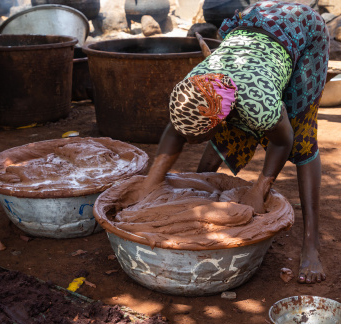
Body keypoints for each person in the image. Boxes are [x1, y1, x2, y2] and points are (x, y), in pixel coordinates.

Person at [141, 1, 330, 284]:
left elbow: (284, 141)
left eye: (197, 138)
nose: (189, 142)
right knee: (232, 130)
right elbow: (174, 130)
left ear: (214, 124)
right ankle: (204, 185)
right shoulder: (197, 84)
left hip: (301, 31)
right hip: (256, 28)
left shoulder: (259, 105)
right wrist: (150, 184)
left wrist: (260, 190)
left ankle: (311, 244)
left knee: (301, 136)